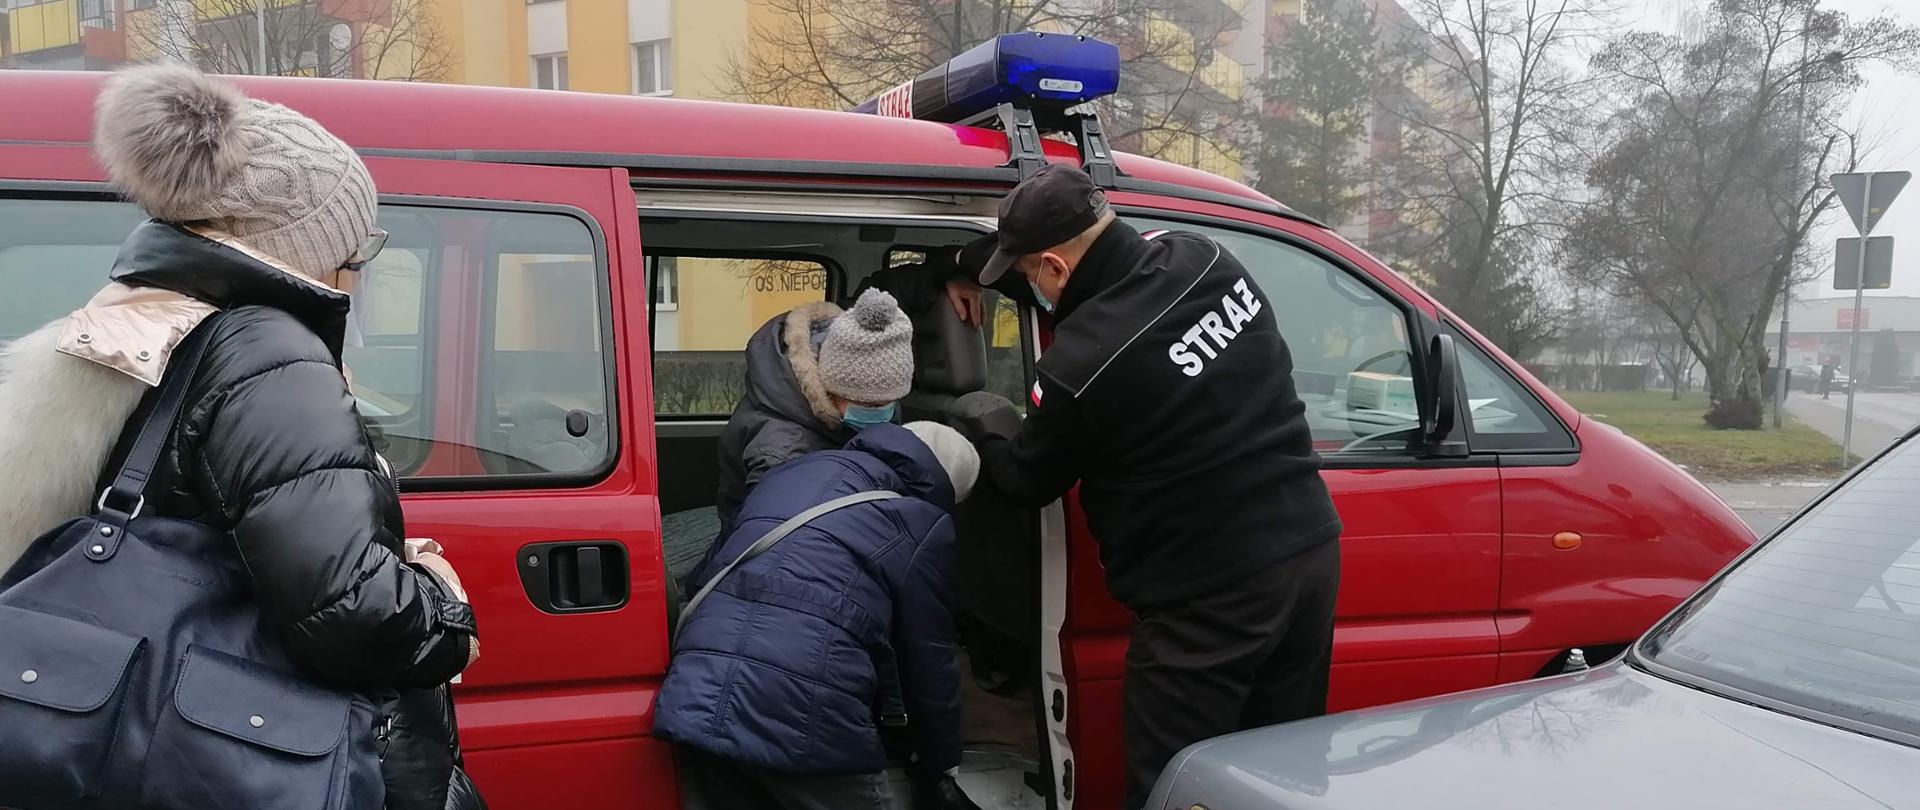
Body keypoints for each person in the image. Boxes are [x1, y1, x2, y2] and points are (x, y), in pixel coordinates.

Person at [0, 63, 482, 810]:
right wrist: (440, 605)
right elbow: (349, 612)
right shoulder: (267, 347)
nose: (359, 272)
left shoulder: (132, 324)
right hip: (247, 754)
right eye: (357, 248)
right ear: (305, 243)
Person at [950, 164, 1344, 809]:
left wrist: (977, 424)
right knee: (1284, 769)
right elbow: (1113, 301)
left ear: (1052, 266)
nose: (1029, 287)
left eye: (1025, 275)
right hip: (1308, 550)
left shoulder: (1082, 367)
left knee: (1177, 784)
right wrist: (970, 261)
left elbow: (1024, 477)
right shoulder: (1207, 260)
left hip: (1207, 596)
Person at [655, 421, 986, 810]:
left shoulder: (791, 473)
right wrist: (940, 764)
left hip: (698, 688)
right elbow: (926, 662)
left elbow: (711, 569)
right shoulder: (920, 522)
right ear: (945, 486)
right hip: (802, 711)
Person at [714, 286, 914, 531]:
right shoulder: (782, 452)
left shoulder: (848, 370)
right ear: (827, 390)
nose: (881, 413)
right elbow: (784, 539)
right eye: (868, 405)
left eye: (888, 403)